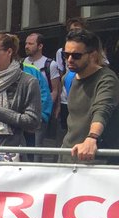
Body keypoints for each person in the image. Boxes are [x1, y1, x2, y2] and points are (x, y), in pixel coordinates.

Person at [61, 29, 118, 164]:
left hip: (96, 159)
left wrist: (92, 137)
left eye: (76, 56)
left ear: (92, 55)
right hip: (68, 156)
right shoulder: (69, 78)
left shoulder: (107, 79)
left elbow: (102, 109)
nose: (69, 59)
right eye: (66, 54)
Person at [24, 33, 62, 151]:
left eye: (30, 43)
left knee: (37, 144)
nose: (26, 46)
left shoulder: (50, 64)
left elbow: (55, 89)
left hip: (41, 109)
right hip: (26, 108)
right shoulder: (23, 62)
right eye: (26, 43)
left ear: (40, 46)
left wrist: (47, 109)